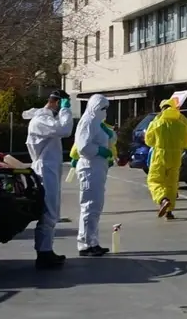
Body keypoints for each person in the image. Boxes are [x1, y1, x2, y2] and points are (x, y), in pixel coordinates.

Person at [23, 89, 75, 269]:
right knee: (49, 211)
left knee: (52, 211)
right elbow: (65, 130)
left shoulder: (46, 119)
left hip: (50, 169)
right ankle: (43, 253)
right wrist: (66, 110)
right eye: (62, 104)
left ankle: (47, 250)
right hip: (45, 170)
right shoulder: (41, 121)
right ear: (56, 102)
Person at [73, 94, 115, 257]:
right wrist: (100, 151)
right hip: (89, 168)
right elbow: (83, 147)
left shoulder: (97, 123)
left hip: (98, 167)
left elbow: (109, 140)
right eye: (102, 108)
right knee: (89, 205)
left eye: (106, 108)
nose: (104, 112)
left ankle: (93, 241)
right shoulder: (88, 122)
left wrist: (109, 133)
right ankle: (85, 243)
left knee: (96, 206)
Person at [145, 98, 187, 219]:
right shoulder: (181, 123)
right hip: (176, 156)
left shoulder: (156, 123)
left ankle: (162, 199)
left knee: (154, 181)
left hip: (160, 155)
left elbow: (149, 141)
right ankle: (169, 212)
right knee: (172, 184)